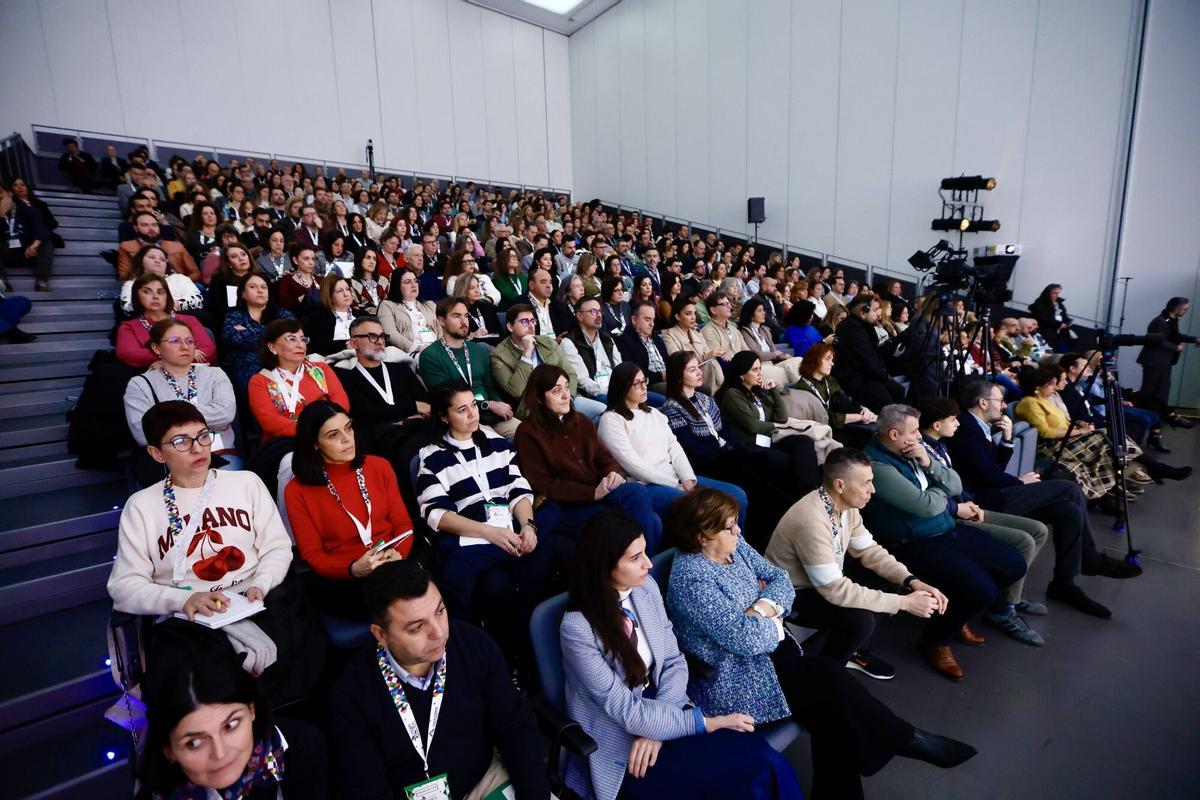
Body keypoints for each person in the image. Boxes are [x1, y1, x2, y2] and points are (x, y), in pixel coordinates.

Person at [666, 488, 977, 799]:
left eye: (736, 523)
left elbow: (780, 579)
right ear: (702, 535)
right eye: (729, 526)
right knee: (828, 681)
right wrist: (774, 623)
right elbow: (745, 641)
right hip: (735, 678)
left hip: (771, 658)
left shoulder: (734, 547)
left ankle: (899, 745)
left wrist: (760, 610)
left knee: (833, 714)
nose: (738, 530)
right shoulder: (692, 579)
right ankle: (907, 738)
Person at [560, 511, 804, 800]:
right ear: (604, 565)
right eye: (635, 558)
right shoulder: (577, 629)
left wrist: (660, 729)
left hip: (669, 705)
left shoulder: (645, 588)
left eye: (645, 553)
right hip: (624, 743)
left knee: (765, 762)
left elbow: (674, 662)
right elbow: (626, 712)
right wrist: (709, 723)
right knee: (741, 781)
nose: (648, 564)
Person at [107, 401, 322, 702]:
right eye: (181, 441)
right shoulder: (142, 506)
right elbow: (124, 587)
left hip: (258, 596)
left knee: (297, 650)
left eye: (203, 435)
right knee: (204, 680)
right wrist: (184, 600)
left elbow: (277, 546)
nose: (197, 448)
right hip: (191, 616)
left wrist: (262, 583)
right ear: (156, 453)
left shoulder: (245, 482)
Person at [327, 560, 551, 799]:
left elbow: (515, 727)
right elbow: (367, 790)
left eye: (440, 611)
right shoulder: (351, 697)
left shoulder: (474, 644)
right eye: (417, 627)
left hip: (485, 780)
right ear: (381, 635)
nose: (439, 632)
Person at [860, 404, 1027, 680]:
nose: (919, 436)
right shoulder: (877, 465)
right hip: (912, 541)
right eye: (913, 431)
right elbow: (924, 507)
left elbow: (957, 486)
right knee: (982, 589)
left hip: (946, 528)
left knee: (1013, 564)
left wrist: (928, 463)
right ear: (893, 434)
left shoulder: (914, 451)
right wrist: (942, 493)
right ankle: (935, 639)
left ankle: (956, 615)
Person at [952, 380, 1140, 620]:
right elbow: (988, 476)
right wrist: (1021, 482)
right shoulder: (968, 429)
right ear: (983, 402)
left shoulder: (980, 425)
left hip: (993, 492)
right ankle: (1090, 558)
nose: (1004, 405)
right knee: (1068, 488)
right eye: (1000, 400)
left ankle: (1064, 583)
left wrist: (1008, 438)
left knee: (1068, 511)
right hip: (982, 501)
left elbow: (989, 469)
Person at [765, 448, 947, 680]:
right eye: (866, 483)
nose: (873, 489)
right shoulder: (811, 519)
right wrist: (903, 603)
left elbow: (870, 551)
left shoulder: (844, 506)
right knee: (859, 620)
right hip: (791, 595)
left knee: (889, 578)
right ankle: (821, 678)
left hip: (821, 583)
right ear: (840, 485)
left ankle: (855, 652)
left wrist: (912, 581)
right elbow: (835, 590)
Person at [414, 381, 554, 667]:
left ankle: (532, 651)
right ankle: (472, 656)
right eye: (462, 410)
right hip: (471, 532)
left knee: (544, 555)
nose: (472, 415)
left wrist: (528, 525)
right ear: (443, 416)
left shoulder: (498, 445)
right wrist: (491, 533)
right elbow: (437, 514)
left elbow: (518, 489)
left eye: (474, 406)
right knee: (489, 583)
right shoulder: (432, 457)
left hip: (508, 528)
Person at [917, 398, 1048, 646]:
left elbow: (959, 484)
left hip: (967, 504)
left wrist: (967, 501)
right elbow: (927, 493)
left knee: (1039, 530)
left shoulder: (941, 446)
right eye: (953, 419)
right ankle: (1002, 608)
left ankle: (1008, 599)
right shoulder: (921, 451)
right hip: (951, 515)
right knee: (1024, 541)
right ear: (936, 424)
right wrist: (958, 507)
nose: (958, 423)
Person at [137, 643, 327, 800]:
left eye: (230, 725)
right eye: (194, 743)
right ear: (169, 750)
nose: (220, 754)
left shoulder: (302, 747)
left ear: (251, 710)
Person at [284, 401, 415, 618]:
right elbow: (312, 554)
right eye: (333, 435)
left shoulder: (379, 466)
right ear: (315, 443)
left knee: (420, 599)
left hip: (393, 564)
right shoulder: (296, 491)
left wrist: (398, 553)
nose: (347, 439)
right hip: (345, 579)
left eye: (348, 428)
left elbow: (403, 525)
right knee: (399, 609)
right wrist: (352, 568)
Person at [514, 364, 662, 550]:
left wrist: (612, 473)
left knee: (638, 494)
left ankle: (641, 567)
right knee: (652, 522)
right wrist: (591, 493)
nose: (566, 395)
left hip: (601, 491)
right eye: (556, 391)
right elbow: (544, 484)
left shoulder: (580, 420)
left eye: (567, 387)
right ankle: (641, 568)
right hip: (570, 505)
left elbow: (604, 458)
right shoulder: (528, 433)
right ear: (540, 398)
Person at [597, 362, 747, 540]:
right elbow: (631, 464)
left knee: (738, 496)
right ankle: (712, 556)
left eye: (644, 380)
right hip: (647, 485)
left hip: (676, 478)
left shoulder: (653, 412)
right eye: (637, 384)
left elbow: (674, 448)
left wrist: (688, 479)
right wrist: (674, 484)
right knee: (703, 508)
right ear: (622, 388)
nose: (644, 386)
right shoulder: (611, 420)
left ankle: (737, 550)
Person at [125, 318, 241, 475]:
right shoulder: (140, 384)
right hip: (171, 458)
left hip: (218, 452)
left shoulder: (214, 374)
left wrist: (167, 419)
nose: (185, 346)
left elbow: (225, 414)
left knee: (227, 485)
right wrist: (206, 421)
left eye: (190, 341)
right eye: (174, 341)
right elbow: (143, 433)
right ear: (156, 347)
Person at [716, 352, 824, 489]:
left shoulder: (756, 391)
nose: (759, 373)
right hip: (749, 445)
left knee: (804, 441)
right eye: (754, 370)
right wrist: (775, 425)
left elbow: (782, 417)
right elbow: (753, 426)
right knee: (784, 459)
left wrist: (773, 391)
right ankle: (805, 493)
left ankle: (812, 489)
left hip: (767, 440)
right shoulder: (732, 394)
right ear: (741, 374)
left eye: (760, 369)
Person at [419, 297, 520, 437]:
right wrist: (488, 404)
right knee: (496, 443)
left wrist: (498, 404)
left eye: (466, 316)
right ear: (442, 321)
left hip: (490, 415)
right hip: (462, 418)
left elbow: (490, 387)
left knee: (528, 434)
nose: (464, 321)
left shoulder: (478, 350)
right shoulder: (430, 356)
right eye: (456, 316)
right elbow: (446, 400)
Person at [1015, 366, 1120, 500]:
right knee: (1103, 439)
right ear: (1038, 386)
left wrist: (1077, 425)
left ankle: (1105, 493)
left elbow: (1064, 423)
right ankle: (1117, 483)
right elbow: (1045, 432)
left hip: (1065, 441)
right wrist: (1081, 431)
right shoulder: (1029, 403)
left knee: (1106, 446)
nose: (1054, 388)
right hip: (1050, 447)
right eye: (1051, 385)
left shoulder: (1048, 400)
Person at [490, 303, 606, 421]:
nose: (531, 326)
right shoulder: (499, 355)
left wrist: (568, 398)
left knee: (601, 411)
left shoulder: (548, 343)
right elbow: (515, 392)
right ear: (510, 327)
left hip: (565, 398)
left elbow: (570, 374)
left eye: (532, 321)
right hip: (535, 406)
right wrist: (526, 355)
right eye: (524, 322)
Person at [247, 318, 349, 442]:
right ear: (272, 347)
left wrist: (327, 427)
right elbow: (269, 421)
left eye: (302, 339)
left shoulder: (321, 369)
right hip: (287, 440)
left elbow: (341, 401)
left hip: (329, 432)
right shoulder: (260, 381)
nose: (300, 345)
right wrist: (311, 430)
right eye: (291, 339)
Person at [116, 274, 217, 369]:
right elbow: (128, 354)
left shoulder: (189, 321)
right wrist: (185, 353)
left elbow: (208, 350)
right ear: (137, 296)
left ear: (167, 296)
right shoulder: (129, 327)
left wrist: (165, 360)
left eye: (160, 292)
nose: (155, 296)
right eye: (147, 292)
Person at [221, 273, 295, 390]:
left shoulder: (283, 314)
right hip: (245, 372)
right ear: (243, 294)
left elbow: (293, 338)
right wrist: (274, 335)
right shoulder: (233, 316)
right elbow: (232, 337)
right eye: (253, 287)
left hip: (281, 365)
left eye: (264, 287)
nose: (260, 290)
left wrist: (250, 332)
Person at [833, 296, 906, 412]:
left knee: (899, 391)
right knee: (887, 403)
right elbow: (867, 362)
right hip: (855, 380)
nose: (879, 314)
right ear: (863, 313)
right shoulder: (852, 330)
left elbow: (874, 356)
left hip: (867, 376)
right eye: (875, 309)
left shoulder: (864, 327)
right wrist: (884, 376)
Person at [793, 343, 878, 440]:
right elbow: (824, 418)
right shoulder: (802, 388)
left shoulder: (829, 380)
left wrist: (864, 410)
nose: (832, 364)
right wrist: (860, 417)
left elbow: (846, 401)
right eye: (827, 359)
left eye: (832, 360)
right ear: (814, 360)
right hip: (824, 432)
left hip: (844, 424)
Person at [1137, 296, 1198, 428]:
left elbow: (1175, 336)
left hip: (1164, 362)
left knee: (1162, 394)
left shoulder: (1171, 321)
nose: (1186, 311)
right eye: (1185, 309)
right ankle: (1163, 419)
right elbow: (1157, 340)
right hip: (1154, 362)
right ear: (1177, 308)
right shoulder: (1160, 322)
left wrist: (1194, 339)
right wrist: (1175, 347)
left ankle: (1158, 427)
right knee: (1150, 393)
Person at [561, 295, 624, 404]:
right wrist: (612, 392)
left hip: (617, 390)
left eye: (599, 311)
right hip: (594, 395)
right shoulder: (569, 343)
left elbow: (620, 368)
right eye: (593, 311)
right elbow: (583, 381)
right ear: (580, 316)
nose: (599, 315)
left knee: (658, 400)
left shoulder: (607, 340)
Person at [119, 242, 204, 316]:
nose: (158, 261)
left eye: (162, 259)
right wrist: (167, 304)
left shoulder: (180, 279)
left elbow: (197, 300)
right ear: (141, 262)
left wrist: (169, 304)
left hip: (182, 320)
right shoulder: (131, 283)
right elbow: (127, 306)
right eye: (152, 257)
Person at [661, 297, 724, 393]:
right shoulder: (669, 336)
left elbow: (707, 352)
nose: (693, 317)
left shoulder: (696, 332)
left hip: (706, 374)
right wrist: (706, 357)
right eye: (688, 314)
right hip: (688, 378)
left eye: (694, 313)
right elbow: (679, 363)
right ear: (677, 316)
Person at [739, 297, 804, 384]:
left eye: (763, 310)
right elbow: (756, 354)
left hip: (773, 364)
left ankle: (806, 388)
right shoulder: (744, 332)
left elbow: (773, 350)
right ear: (751, 315)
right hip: (761, 368)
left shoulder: (764, 329)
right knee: (788, 372)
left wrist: (780, 355)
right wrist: (777, 355)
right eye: (759, 311)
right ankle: (806, 389)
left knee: (798, 360)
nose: (764, 313)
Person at [378, 268, 442, 356]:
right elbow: (391, 334)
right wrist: (416, 348)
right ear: (397, 285)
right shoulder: (387, 305)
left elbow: (441, 331)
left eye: (415, 281)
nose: (413, 285)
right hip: (409, 352)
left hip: (435, 350)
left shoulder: (429, 305)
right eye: (407, 282)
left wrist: (441, 348)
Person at [616, 299, 670, 394]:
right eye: (647, 319)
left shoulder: (656, 338)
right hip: (647, 385)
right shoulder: (625, 341)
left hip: (667, 379)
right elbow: (633, 373)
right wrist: (662, 376)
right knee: (678, 389)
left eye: (653, 320)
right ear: (634, 320)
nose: (652, 324)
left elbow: (668, 361)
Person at [304, 275, 358, 357]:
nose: (346, 294)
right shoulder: (318, 317)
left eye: (347, 289)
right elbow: (319, 346)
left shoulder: (362, 314)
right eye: (340, 291)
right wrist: (346, 345)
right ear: (329, 296)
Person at [451, 272, 502, 346]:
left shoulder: (487, 306)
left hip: (495, 347)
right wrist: (472, 336)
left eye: (478, 286)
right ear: (463, 290)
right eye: (472, 288)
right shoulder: (456, 311)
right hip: (471, 348)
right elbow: (455, 339)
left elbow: (500, 333)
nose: (477, 291)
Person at [277, 244, 323, 318]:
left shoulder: (321, 280)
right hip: (297, 321)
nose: (311, 262)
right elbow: (284, 304)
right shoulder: (287, 280)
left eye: (313, 259)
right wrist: (305, 297)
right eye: (306, 259)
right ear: (295, 260)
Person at [1029, 284, 1074, 352]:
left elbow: (1064, 316)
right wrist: (1058, 324)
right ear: (1048, 293)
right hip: (1046, 332)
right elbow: (1043, 318)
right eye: (1054, 293)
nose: (1057, 295)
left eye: (1058, 293)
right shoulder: (1040, 303)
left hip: (1060, 334)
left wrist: (1068, 322)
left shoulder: (1059, 304)